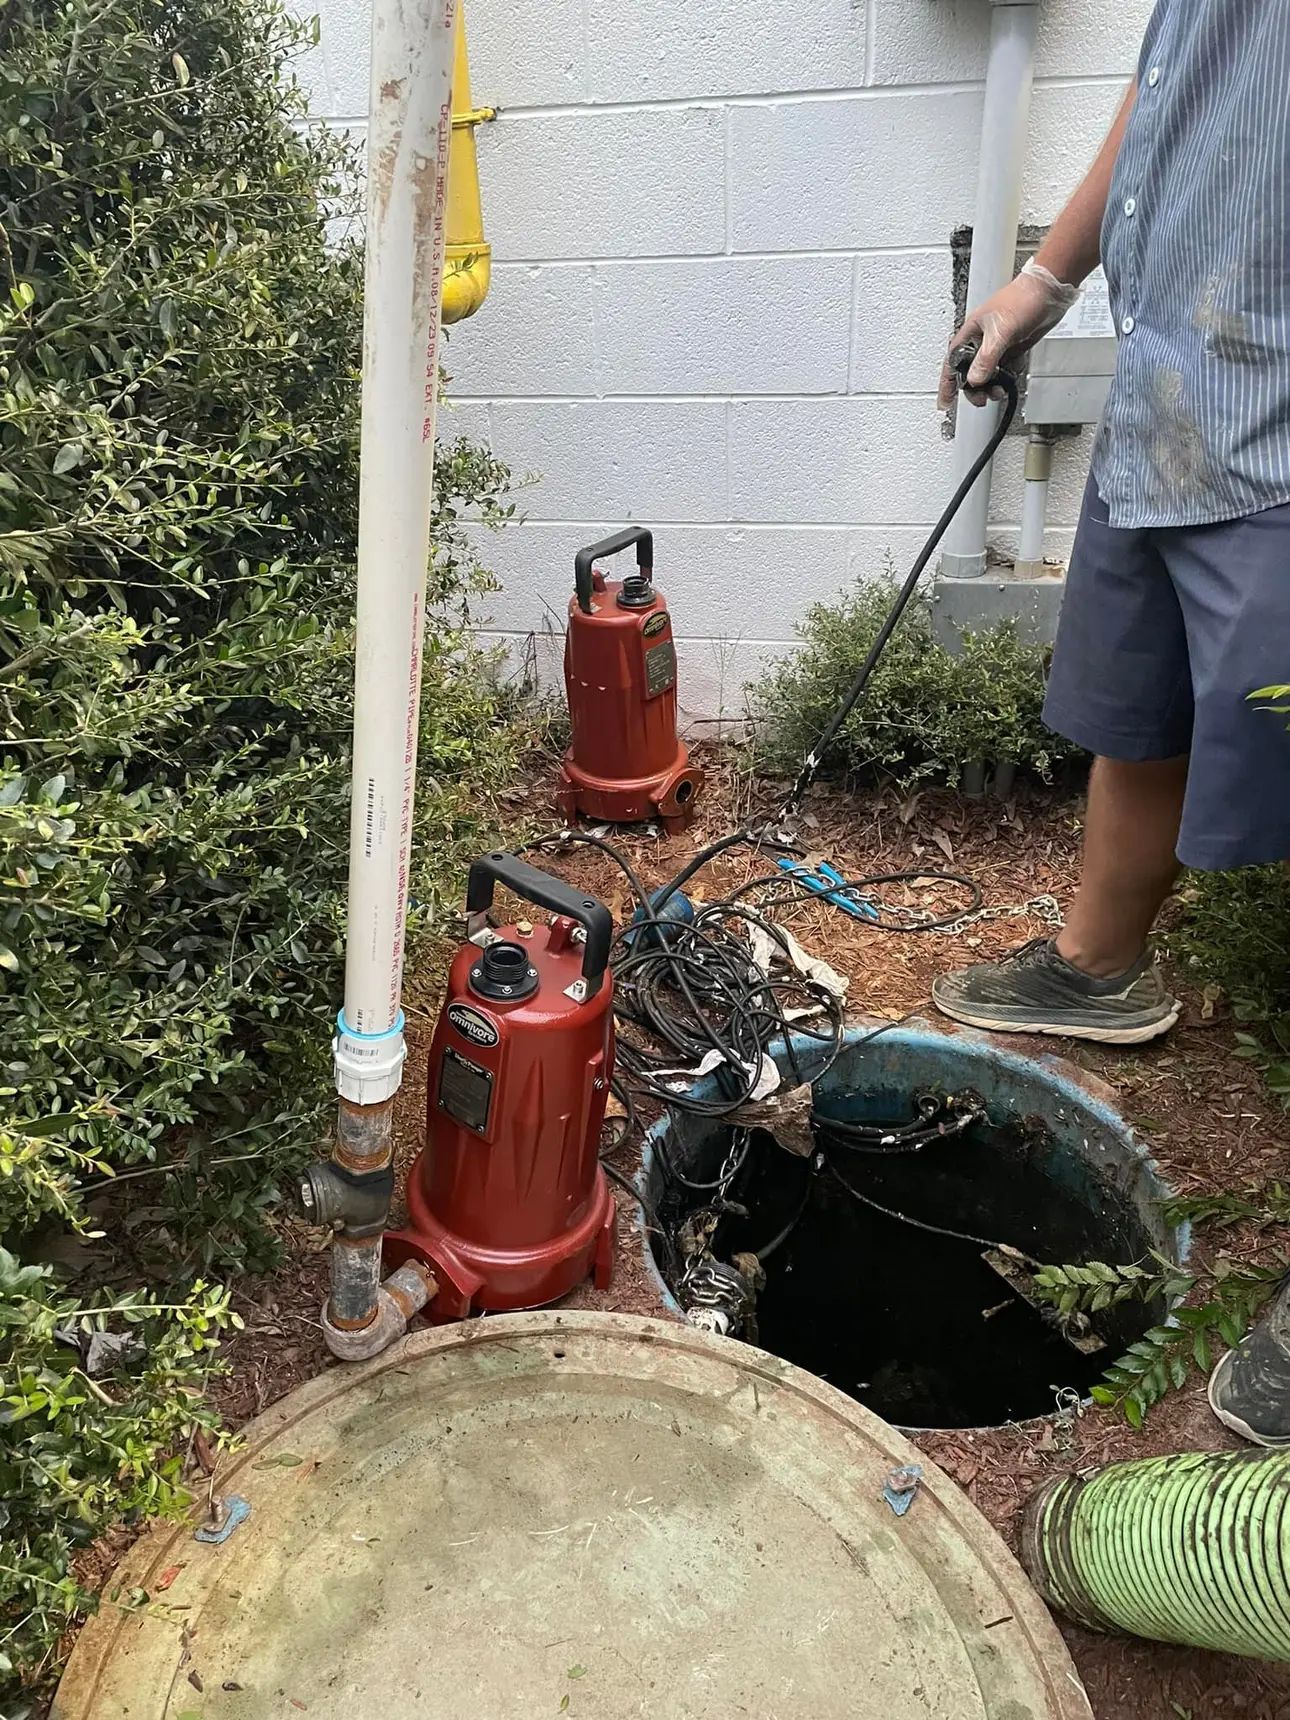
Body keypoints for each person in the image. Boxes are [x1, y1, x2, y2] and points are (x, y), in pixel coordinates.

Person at [932, 0, 1290, 1448]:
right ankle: (1092, 971)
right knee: (1132, 707)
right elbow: (1163, 91)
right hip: (1176, 394)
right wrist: (1039, 278)